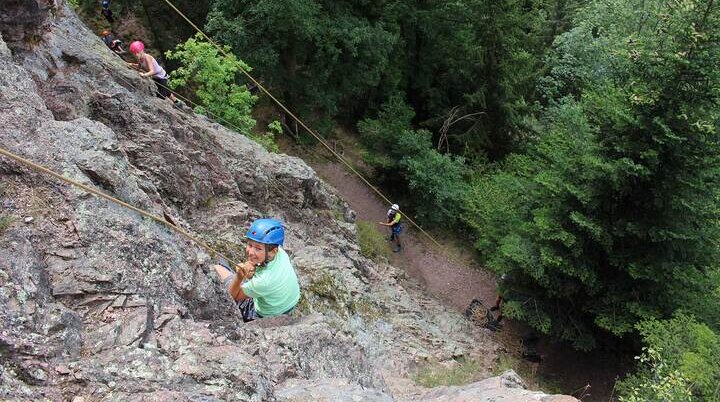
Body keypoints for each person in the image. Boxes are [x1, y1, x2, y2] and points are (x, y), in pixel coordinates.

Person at [213, 218, 300, 322]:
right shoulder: (280, 252)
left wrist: (239, 276)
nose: (250, 252)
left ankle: (218, 266)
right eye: (249, 245)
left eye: (258, 248)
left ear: (273, 251)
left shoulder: (264, 281)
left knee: (218, 268)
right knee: (223, 263)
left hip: (263, 315)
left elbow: (232, 296)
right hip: (287, 305)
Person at [125, 40, 180, 106]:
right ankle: (177, 102)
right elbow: (140, 66)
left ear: (142, 50)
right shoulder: (140, 59)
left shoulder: (147, 57)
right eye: (134, 53)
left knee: (161, 96)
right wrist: (132, 65)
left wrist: (144, 75)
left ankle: (171, 105)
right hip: (156, 77)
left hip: (161, 76)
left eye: (137, 52)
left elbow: (152, 71)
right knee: (165, 90)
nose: (136, 55)